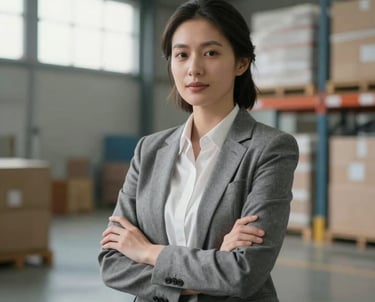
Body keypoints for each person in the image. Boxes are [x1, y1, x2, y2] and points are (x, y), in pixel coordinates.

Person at [99, 0, 299, 301]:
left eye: (211, 53)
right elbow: (113, 264)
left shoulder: (269, 149)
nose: (194, 68)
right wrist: (213, 263)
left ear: (241, 63)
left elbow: (244, 273)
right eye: (181, 55)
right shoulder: (149, 151)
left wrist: (147, 251)